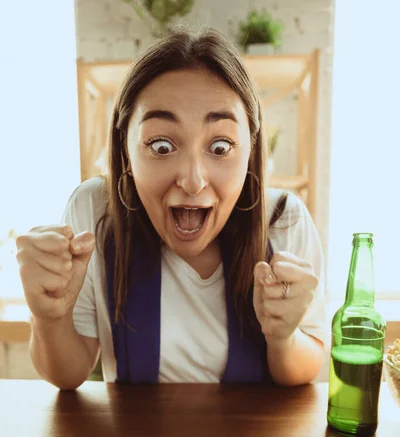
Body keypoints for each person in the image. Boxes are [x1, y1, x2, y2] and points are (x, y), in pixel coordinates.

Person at [16, 26, 327, 389]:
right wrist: (48, 315)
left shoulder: (283, 221)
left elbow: (304, 368)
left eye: (221, 146)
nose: (193, 180)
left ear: (251, 151)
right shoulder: (95, 211)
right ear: (125, 149)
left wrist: (284, 336)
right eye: (162, 146)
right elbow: (67, 375)